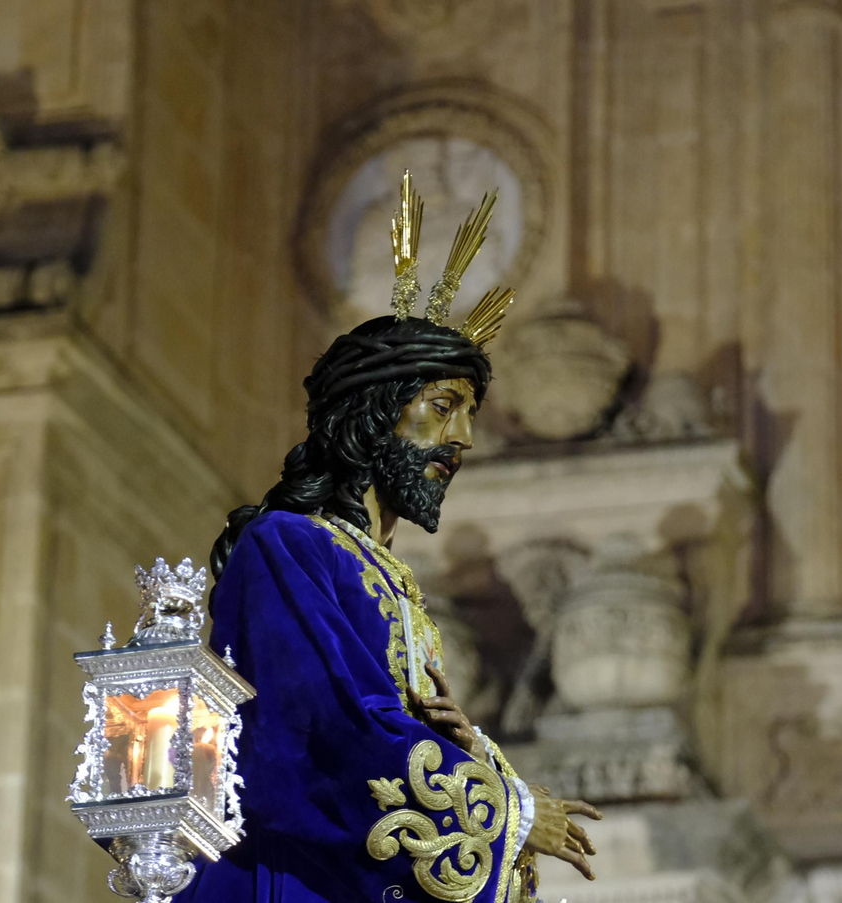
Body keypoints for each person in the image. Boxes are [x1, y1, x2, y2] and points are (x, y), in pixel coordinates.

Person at [174, 174, 601, 903]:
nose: (462, 438)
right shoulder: (288, 546)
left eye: (466, 414)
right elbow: (327, 725)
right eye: (442, 407)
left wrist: (470, 749)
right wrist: (509, 810)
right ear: (374, 415)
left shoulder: (390, 579)